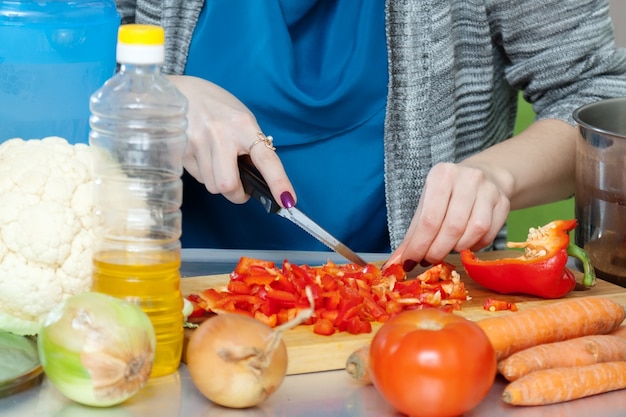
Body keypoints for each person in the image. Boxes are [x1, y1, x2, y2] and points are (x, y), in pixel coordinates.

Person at [115, 0, 626, 271]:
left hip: (415, 317)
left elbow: (596, 91)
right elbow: (57, 70)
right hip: (161, 295)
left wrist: (497, 175)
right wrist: (154, 95)